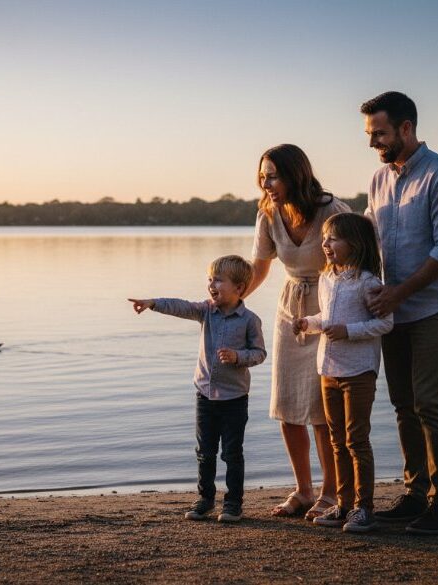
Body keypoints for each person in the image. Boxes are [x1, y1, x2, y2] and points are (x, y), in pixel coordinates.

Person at [360, 91, 438, 535]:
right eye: (369, 134)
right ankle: (412, 494)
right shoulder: (378, 180)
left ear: (407, 128)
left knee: (430, 403)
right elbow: (368, 239)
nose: (373, 143)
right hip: (393, 309)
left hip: (434, 307)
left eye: (379, 133)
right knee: (403, 405)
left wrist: (400, 292)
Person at [246, 144, 349, 520]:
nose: (265, 182)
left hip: (329, 308)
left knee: (321, 410)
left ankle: (331, 492)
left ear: (294, 174)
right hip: (290, 310)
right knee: (288, 407)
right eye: (262, 175)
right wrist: (230, 300)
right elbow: (259, 268)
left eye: (272, 175)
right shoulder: (269, 213)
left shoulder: (332, 211)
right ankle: (303, 490)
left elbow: (359, 262)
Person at [129, 255, 266, 523]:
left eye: (218, 280)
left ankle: (233, 503)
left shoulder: (250, 320)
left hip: (234, 399)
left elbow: (259, 353)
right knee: (204, 452)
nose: (211, 284)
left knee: (232, 453)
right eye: (209, 279)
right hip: (205, 396)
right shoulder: (206, 311)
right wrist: (153, 303)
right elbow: (180, 306)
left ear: (239, 288)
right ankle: (205, 500)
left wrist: (239, 357)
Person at [293, 212, 393, 533]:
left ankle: (364, 508)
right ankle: (344, 504)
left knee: (356, 440)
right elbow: (327, 317)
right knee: (337, 441)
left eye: (333, 238)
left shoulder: (368, 282)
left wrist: (348, 331)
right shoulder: (327, 278)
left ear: (356, 243)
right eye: (324, 238)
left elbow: (384, 323)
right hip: (328, 369)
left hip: (359, 371)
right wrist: (308, 324)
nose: (325, 244)